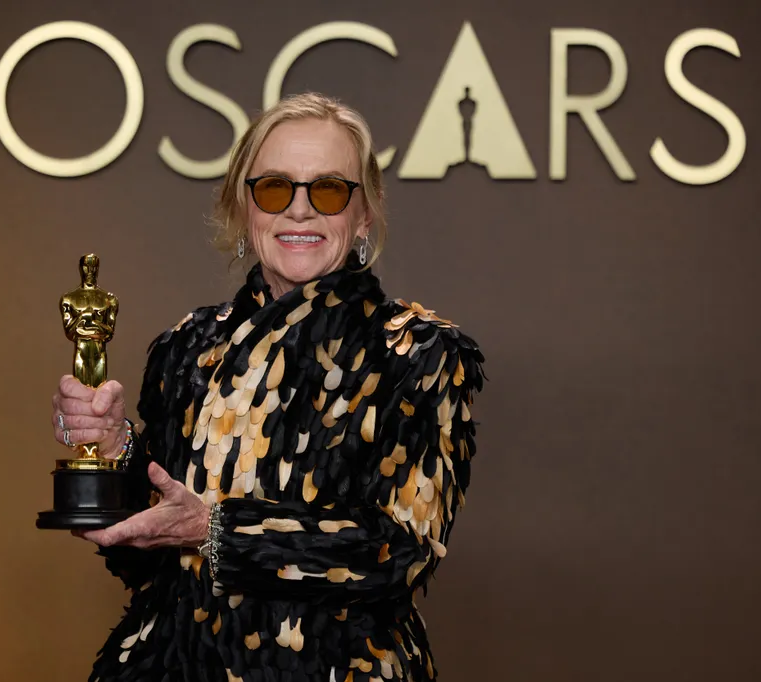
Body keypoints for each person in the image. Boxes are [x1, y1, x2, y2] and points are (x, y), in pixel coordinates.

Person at [50, 92, 485, 682]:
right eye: (275, 188)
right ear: (243, 205)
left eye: (328, 189)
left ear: (364, 213)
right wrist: (114, 448)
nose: (299, 211)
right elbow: (144, 558)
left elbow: (398, 553)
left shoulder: (418, 352)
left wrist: (215, 530)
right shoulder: (188, 344)